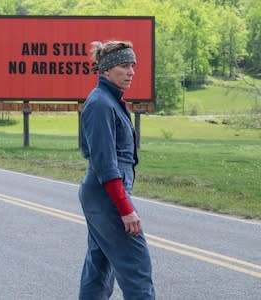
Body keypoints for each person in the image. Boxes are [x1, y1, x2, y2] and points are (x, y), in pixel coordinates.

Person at [78, 40, 155, 300]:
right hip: (106, 195)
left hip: (102, 195)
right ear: (107, 70)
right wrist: (125, 208)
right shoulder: (101, 104)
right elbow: (105, 164)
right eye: (124, 66)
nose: (131, 71)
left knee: (99, 269)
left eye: (133, 65)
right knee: (137, 269)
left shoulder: (109, 100)